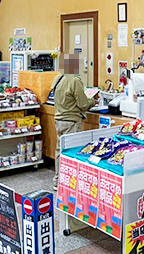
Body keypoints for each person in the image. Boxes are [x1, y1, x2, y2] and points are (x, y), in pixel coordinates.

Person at [53, 53, 97, 189]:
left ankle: (58, 181)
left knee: (60, 151)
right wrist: (93, 101)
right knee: (73, 152)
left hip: (59, 120)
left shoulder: (58, 78)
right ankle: (71, 183)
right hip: (71, 121)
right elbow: (83, 104)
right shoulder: (74, 80)